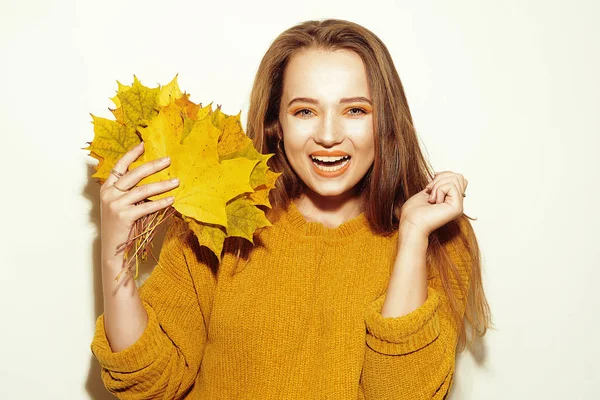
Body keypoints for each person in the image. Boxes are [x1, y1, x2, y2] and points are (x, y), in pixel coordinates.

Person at [91, 18, 492, 399]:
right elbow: (149, 387)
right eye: (305, 111)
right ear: (276, 124)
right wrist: (115, 259)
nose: (329, 136)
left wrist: (412, 239)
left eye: (355, 110)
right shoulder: (220, 218)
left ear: (385, 122)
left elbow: (399, 395)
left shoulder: (439, 238)